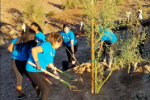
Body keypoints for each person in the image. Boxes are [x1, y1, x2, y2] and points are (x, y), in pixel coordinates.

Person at [26, 33, 63, 100]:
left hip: (40, 70)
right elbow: (34, 50)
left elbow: (50, 63)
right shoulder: (47, 46)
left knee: (42, 88)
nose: (60, 45)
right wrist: (37, 63)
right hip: (33, 69)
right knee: (46, 89)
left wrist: (55, 72)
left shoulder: (52, 49)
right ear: (55, 41)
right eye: (60, 43)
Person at [7, 29, 37, 99]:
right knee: (33, 78)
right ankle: (39, 94)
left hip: (14, 61)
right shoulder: (30, 44)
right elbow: (31, 56)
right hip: (24, 62)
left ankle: (20, 95)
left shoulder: (17, 38)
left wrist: (17, 55)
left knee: (19, 78)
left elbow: (9, 48)